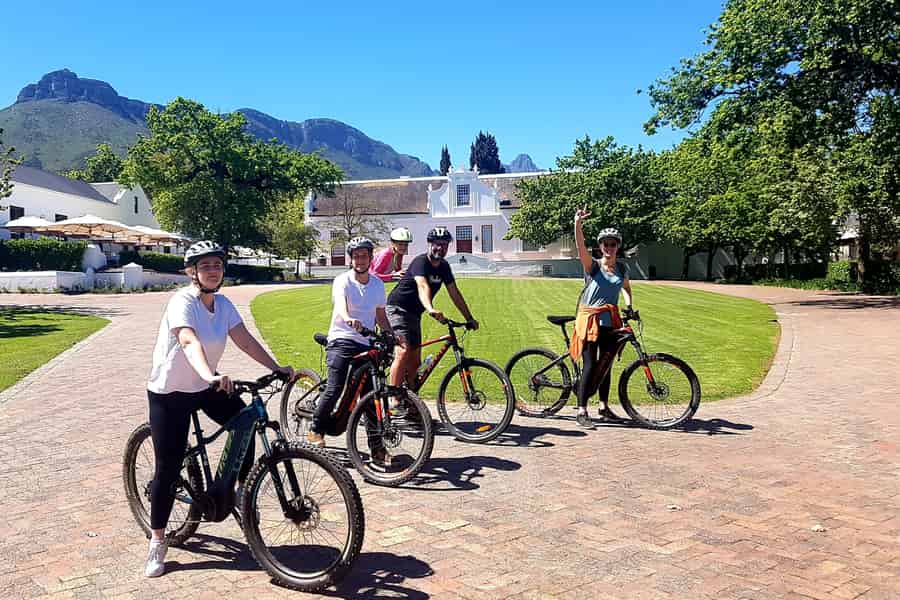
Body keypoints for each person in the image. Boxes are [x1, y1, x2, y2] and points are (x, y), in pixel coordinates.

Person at [144, 240, 295, 577]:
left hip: (205, 386)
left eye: (217, 265)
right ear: (192, 272)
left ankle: (240, 493)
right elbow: (187, 340)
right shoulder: (181, 301)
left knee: (246, 420)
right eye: (205, 265)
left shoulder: (223, 304)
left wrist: (276, 366)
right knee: (167, 470)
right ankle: (157, 540)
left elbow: (244, 338)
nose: (213, 270)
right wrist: (209, 374)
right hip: (171, 392)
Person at [306, 237, 405, 464]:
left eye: (365, 256)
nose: (360, 260)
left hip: (366, 342)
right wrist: (349, 318)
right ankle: (316, 429)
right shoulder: (343, 281)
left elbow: (381, 316)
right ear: (351, 259)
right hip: (342, 338)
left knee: (371, 397)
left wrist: (391, 333)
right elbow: (340, 305)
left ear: (371, 258)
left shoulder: (378, 284)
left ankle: (377, 449)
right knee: (335, 387)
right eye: (357, 256)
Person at [386, 226, 478, 394]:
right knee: (404, 350)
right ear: (429, 244)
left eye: (444, 245)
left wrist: (469, 318)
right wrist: (430, 308)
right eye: (437, 244)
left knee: (415, 363)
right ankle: (394, 400)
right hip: (398, 308)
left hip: (415, 314)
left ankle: (412, 407)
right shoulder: (420, 262)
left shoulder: (444, 267)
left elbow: (454, 293)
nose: (440, 248)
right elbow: (422, 286)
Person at [570, 208, 634, 428]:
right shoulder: (594, 266)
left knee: (606, 364)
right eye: (605, 244)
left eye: (613, 244)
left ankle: (604, 406)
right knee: (590, 364)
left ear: (618, 246)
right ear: (600, 246)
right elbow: (580, 247)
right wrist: (577, 223)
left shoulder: (622, 269)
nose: (609, 247)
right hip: (590, 320)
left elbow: (625, 288)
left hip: (610, 321)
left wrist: (630, 307)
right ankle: (581, 410)